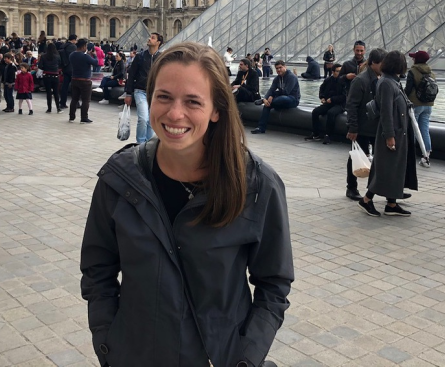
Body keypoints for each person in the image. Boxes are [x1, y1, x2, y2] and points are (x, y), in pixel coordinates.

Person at [80, 42, 292, 367]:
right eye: (163, 96)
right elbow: (98, 272)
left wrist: (245, 358)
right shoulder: (118, 179)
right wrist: (110, 344)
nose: (174, 113)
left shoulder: (258, 185)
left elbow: (274, 284)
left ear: (217, 109)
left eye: (193, 101)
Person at [359, 51, 418, 217]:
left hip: (399, 132)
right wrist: (390, 136)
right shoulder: (387, 83)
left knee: (394, 167)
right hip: (393, 133)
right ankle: (366, 200)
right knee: (385, 168)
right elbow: (386, 111)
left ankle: (391, 203)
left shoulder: (391, 81)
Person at [345, 48, 385, 200]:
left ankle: (372, 188)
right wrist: (353, 127)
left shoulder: (380, 78)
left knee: (378, 159)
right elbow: (352, 105)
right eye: (382, 63)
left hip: (375, 127)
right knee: (355, 157)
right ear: (374, 63)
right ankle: (351, 187)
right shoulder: (360, 80)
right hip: (362, 127)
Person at [124, 33, 163, 143]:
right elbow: (131, 75)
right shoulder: (140, 56)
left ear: (158, 42)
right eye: (149, 36)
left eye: (153, 38)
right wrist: (128, 93)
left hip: (154, 93)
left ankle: (148, 143)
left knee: (151, 121)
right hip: (140, 91)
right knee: (143, 119)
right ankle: (140, 144)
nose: (149, 38)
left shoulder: (161, 58)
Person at [251, 60, 300, 134]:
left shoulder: (291, 77)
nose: (278, 70)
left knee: (282, 98)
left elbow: (286, 92)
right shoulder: (277, 78)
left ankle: (264, 101)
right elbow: (271, 89)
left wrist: (272, 96)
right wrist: (266, 98)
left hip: (292, 99)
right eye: (277, 68)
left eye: (280, 67)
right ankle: (261, 128)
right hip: (280, 99)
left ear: (285, 67)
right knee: (267, 104)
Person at [405, 51, 435, 168]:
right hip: (428, 105)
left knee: (412, 129)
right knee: (424, 129)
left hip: (415, 104)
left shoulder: (413, 71)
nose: (412, 60)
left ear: (417, 60)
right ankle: (426, 155)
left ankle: (410, 154)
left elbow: (408, 89)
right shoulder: (432, 73)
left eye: (414, 58)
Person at [305, 63, 342, 142]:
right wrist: (322, 97)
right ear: (333, 72)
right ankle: (315, 133)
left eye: (340, 71)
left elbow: (345, 96)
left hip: (340, 104)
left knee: (331, 113)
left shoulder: (343, 81)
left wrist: (332, 99)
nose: (340, 73)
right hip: (329, 103)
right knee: (315, 111)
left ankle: (328, 135)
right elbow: (321, 89)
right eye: (338, 71)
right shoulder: (328, 80)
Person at [68, 38, 99, 123]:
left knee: (74, 99)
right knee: (85, 100)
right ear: (83, 46)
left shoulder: (72, 55)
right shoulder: (85, 57)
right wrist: (94, 55)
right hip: (85, 81)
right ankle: (84, 118)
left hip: (74, 79)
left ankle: (71, 117)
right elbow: (96, 63)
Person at [38, 43, 62, 113]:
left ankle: (49, 109)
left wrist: (45, 68)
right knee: (56, 92)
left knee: (48, 93)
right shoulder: (57, 56)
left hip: (47, 75)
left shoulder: (43, 56)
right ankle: (58, 108)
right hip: (55, 75)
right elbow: (60, 65)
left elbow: (40, 66)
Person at [59, 35, 78, 110]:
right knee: (75, 86)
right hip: (71, 68)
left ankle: (62, 102)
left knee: (65, 86)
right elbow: (74, 58)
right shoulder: (73, 47)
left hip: (65, 68)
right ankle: (76, 103)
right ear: (73, 40)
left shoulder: (63, 46)